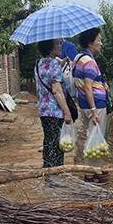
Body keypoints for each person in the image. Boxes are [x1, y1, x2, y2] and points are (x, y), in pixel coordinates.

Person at [73, 27, 110, 184]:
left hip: (86, 103)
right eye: (98, 40)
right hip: (95, 104)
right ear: (90, 42)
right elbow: (88, 87)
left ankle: (96, 169)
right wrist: (94, 110)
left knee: (93, 136)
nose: (101, 43)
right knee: (94, 138)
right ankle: (91, 174)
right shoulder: (88, 61)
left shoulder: (78, 58)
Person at [35, 39, 73, 168]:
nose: (60, 45)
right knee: (57, 145)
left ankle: (48, 172)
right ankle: (55, 176)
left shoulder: (39, 63)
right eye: (57, 44)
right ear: (50, 48)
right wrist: (67, 112)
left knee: (49, 142)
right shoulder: (53, 65)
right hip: (55, 111)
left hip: (43, 109)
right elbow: (57, 91)